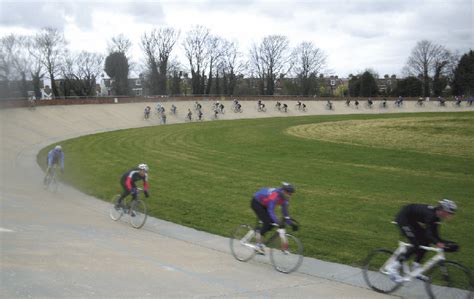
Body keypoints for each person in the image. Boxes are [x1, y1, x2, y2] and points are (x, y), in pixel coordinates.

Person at [386, 199, 458, 282]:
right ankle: (392, 268)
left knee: (426, 241)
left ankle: (415, 268)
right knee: (415, 244)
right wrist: (438, 243)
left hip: (411, 220)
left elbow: (435, 236)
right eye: (450, 213)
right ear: (443, 210)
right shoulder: (431, 215)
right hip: (403, 218)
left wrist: (447, 243)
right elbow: (430, 235)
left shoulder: (437, 217)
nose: (450, 215)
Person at [251, 182, 298, 254]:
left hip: (265, 204)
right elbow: (270, 210)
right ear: (284, 191)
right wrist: (278, 222)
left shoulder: (285, 198)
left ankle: (259, 234)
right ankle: (257, 245)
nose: (290, 196)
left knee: (271, 224)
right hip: (256, 202)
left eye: (291, 194)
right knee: (267, 222)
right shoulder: (274, 195)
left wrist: (291, 224)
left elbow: (285, 213)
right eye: (289, 193)